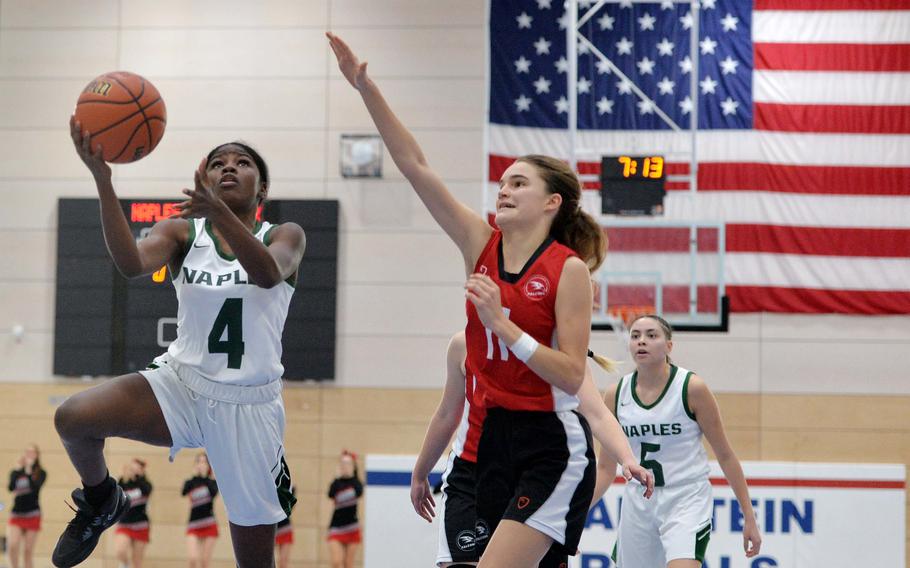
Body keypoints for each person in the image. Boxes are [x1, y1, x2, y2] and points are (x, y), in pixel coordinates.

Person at [329, 31, 611, 567]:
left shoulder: (569, 272)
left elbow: (573, 375)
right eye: (502, 182)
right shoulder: (479, 242)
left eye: (519, 183)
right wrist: (365, 88)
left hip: (550, 444)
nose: (503, 189)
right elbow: (415, 165)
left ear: (552, 202)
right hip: (490, 441)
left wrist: (503, 325)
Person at [53, 118, 305, 568]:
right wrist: (102, 179)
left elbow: (267, 274)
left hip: (248, 406)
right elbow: (130, 264)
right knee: (73, 418)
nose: (228, 168)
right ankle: (102, 499)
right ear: (203, 179)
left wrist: (220, 213)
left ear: (261, 189)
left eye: (242, 163)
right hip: (182, 383)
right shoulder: (182, 234)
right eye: (217, 163)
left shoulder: (285, 235)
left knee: (255, 562)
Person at [411, 333, 652, 568]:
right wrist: (421, 472)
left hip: (537, 477)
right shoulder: (464, 344)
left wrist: (627, 458)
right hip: (471, 474)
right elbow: (446, 414)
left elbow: (596, 413)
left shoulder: (559, 351)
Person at [603, 315, 762, 567]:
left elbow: (726, 455)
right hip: (638, 501)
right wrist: (574, 518)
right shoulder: (616, 394)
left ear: (669, 346)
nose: (642, 341)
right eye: (635, 336)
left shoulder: (691, 388)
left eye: (651, 335)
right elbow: (604, 468)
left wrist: (749, 515)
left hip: (686, 497)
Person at [6, 444, 46, 568]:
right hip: (17, 514)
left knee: (28, 551)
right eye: (27, 452)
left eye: (32, 452)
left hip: (33, 514)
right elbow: (11, 488)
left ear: (37, 455)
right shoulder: (16, 472)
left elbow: (35, 488)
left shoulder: (41, 473)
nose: (29, 454)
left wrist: (29, 471)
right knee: (13, 545)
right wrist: (18, 470)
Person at [327, 451, 363, 568]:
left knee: (348, 564)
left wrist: (351, 474)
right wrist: (338, 476)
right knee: (337, 563)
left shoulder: (356, 483)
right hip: (336, 527)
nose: (345, 466)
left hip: (352, 527)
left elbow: (359, 491)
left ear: (353, 466)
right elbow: (330, 494)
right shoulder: (336, 483)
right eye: (342, 463)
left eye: (348, 463)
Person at [183, 452, 219, 568]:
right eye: (199, 461)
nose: (201, 464)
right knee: (192, 559)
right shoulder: (191, 482)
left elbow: (213, 493)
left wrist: (205, 476)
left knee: (204, 562)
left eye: (204, 462)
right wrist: (196, 476)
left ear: (208, 465)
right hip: (193, 524)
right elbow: (183, 491)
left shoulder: (212, 482)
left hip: (209, 524)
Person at [114, 459, 153, 568]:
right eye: (132, 468)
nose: (133, 471)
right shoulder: (123, 484)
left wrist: (138, 477)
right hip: (124, 523)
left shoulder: (146, 484)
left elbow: (146, 490)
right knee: (120, 551)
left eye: (137, 468)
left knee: (137, 562)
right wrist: (122, 476)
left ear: (142, 470)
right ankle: (125, 564)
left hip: (141, 524)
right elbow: (115, 494)